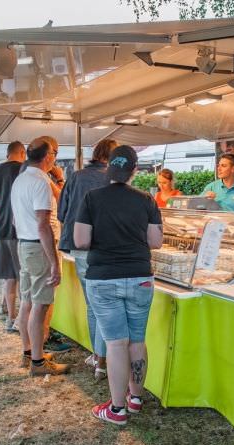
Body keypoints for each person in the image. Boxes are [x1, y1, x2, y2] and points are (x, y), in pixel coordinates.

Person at [74, 145, 163, 425]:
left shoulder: (92, 198)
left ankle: (117, 409)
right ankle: (135, 399)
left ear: (109, 168)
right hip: (140, 277)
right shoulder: (147, 200)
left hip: (103, 279)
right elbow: (156, 242)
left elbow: (81, 241)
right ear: (134, 170)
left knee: (115, 343)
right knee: (137, 340)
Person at [58, 138, 118, 380]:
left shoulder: (77, 176)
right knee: (108, 305)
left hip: (80, 246)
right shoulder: (115, 179)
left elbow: (62, 211)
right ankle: (104, 358)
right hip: (110, 248)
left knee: (94, 305)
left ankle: (98, 358)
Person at [11, 136, 69, 376]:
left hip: (25, 244)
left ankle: (29, 352)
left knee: (27, 301)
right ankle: (37, 361)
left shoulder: (22, 179)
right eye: (54, 153)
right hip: (39, 246)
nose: (55, 157)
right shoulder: (40, 182)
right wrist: (54, 262)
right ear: (48, 157)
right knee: (41, 305)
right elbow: (43, 225)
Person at [0, 141, 26, 333]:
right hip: (20, 229)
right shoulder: (23, 169)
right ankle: (21, 320)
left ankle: (11, 318)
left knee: (9, 278)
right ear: (21, 152)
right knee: (22, 277)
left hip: (1, 228)